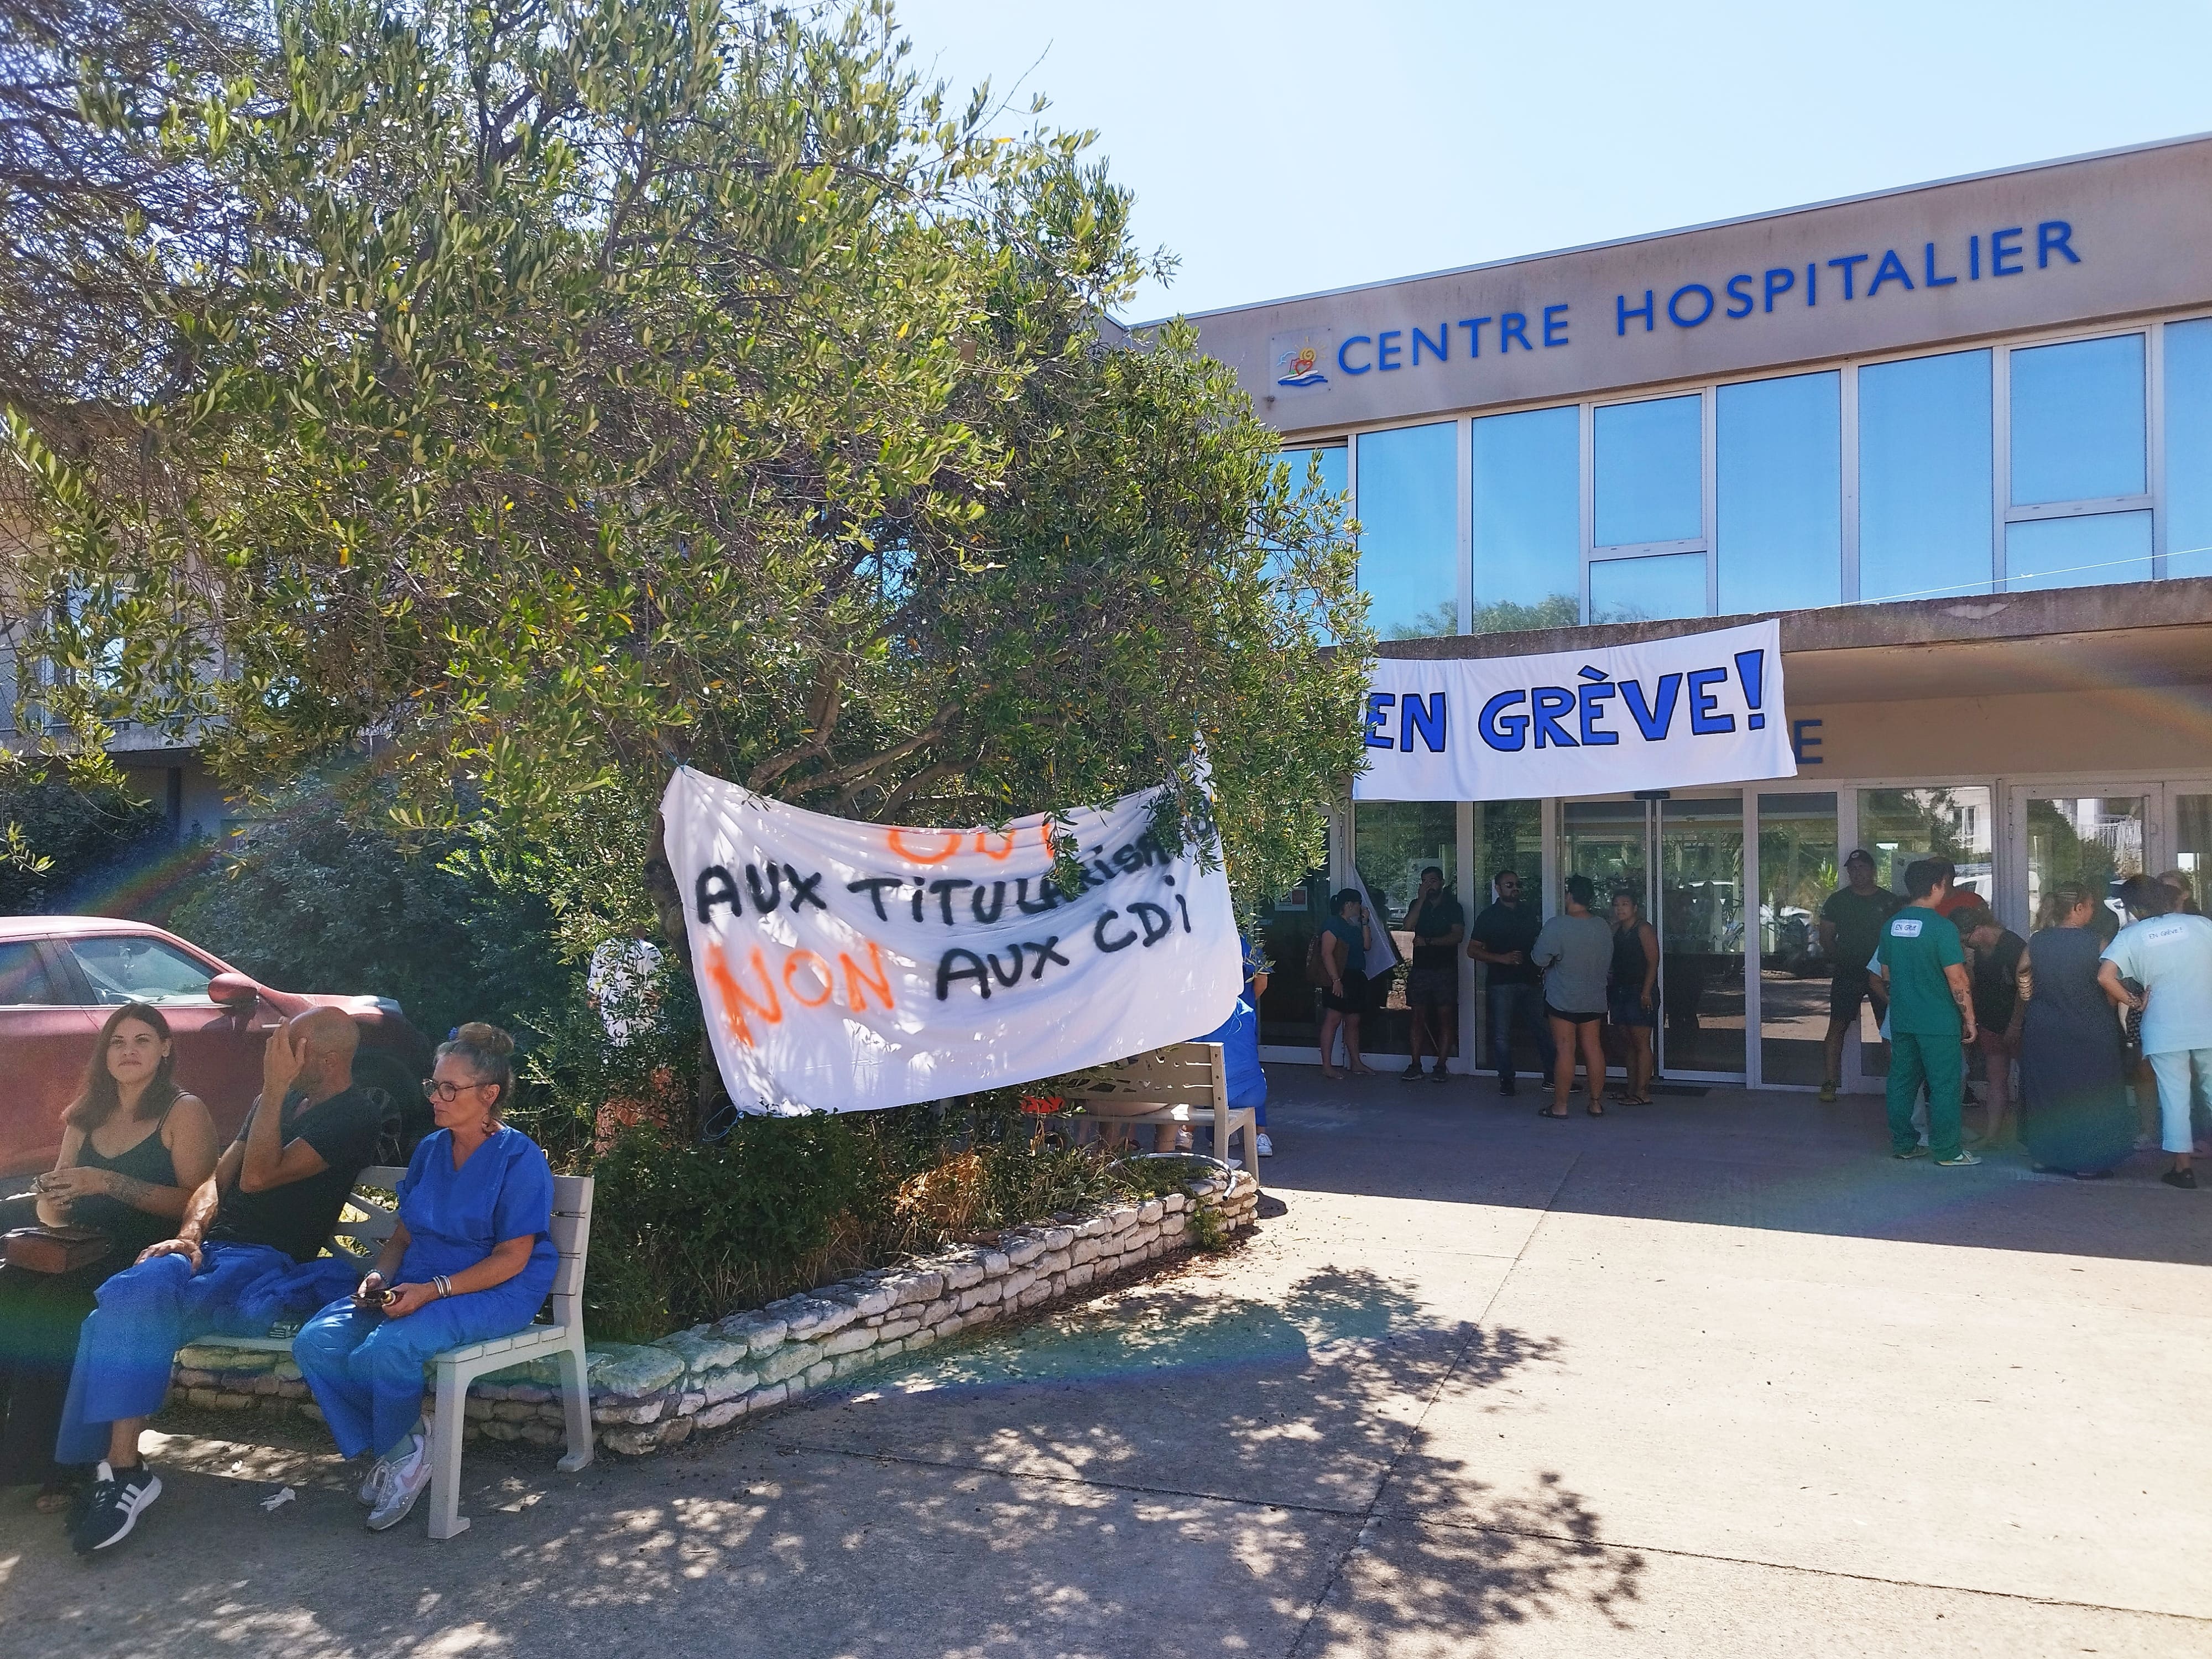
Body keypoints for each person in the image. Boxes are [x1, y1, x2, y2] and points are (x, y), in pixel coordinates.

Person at [56, 1006, 382, 1553]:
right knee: (122, 1301)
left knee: (120, 1307)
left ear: (320, 1057)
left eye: (286, 1046)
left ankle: (118, 1469)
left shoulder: (353, 1114)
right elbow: (219, 1177)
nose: (272, 1055)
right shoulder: (270, 1102)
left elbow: (258, 1178)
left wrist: (275, 1093)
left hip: (266, 1260)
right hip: (213, 1252)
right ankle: (116, 1470)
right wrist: (189, 1234)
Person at [293, 1023, 559, 1531]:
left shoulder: (519, 1157)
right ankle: (404, 1445)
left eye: (448, 1089)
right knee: (316, 1343)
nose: (436, 1097)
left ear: (489, 1095)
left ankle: (402, 1454)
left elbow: (512, 1258)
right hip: (416, 1281)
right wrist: (377, 1276)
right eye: (432, 1086)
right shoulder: (431, 1149)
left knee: (387, 1350)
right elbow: (401, 1237)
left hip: (494, 1289)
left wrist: (433, 1291)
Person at [0, 1005, 217, 1514]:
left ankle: (67, 1465)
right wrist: (53, 1198)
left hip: (145, 1254)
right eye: (118, 1043)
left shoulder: (183, 1111)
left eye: (143, 1040)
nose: (129, 1051)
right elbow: (52, 1212)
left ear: (165, 1049)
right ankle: (16, 1458)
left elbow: (196, 1197)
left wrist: (108, 1182)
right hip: (78, 1246)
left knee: (60, 1309)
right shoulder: (86, 1115)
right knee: (7, 1294)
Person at [2098, 874, 2212, 1190]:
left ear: (2135, 906)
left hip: (2163, 1027)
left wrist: (2134, 1002)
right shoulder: (2202, 926)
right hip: (2208, 1021)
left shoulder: (2134, 935)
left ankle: (2183, 1169)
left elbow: (2106, 977)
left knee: (2174, 1097)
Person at [2016, 885, 2136, 1178]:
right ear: (2078, 908)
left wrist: (2029, 995)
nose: (2094, 912)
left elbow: (2022, 971)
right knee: (2090, 1093)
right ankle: (2088, 1162)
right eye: (2091, 906)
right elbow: (2109, 982)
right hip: (2090, 1027)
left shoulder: (2037, 941)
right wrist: (2130, 1003)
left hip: (2044, 1027)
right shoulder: (2097, 942)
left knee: (2048, 1092)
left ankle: (2045, 1157)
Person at [1871, 858, 1979, 1167]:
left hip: (1903, 1018)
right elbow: (1958, 979)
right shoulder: (1942, 928)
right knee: (1944, 1086)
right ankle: (1948, 1151)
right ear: (1936, 886)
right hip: (1939, 1021)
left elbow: (1886, 971)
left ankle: (1904, 1144)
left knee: (1902, 1082)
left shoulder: (1892, 925)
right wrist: (1969, 1018)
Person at [1817, 850, 1902, 1102]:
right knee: (1837, 1026)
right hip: (1848, 973)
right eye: (1852, 869)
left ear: (1873, 870)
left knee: (1888, 1029)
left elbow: (1898, 937)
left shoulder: (1889, 901)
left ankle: (1898, 1085)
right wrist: (1843, 959)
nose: (1857, 873)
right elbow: (1826, 938)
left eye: (1862, 868)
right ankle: (1830, 1082)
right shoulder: (1837, 901)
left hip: (1883, 973)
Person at [1467, 870, 1556, 1097]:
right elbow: (1472, 950)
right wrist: (1501, 958)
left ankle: (1554, 1078)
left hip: (1531, 981)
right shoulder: (1488, 916)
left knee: (1544, 1031)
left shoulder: (1529, 913)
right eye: (1509, 885)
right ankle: (1506, 1080)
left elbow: (1540, 942)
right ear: (1497, 888)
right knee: (1501, 1034)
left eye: (1517, 884)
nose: (1514, 888)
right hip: (1501, 983)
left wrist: (1545, 964)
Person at [1532, 875, 1614, 1119]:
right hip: (1594, 997)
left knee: (1566, 1049)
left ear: (1569, 896)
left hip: (1563, 998)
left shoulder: (1557, 925)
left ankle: (1560, 1106)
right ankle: (1596, 1103)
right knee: (1593, 1047)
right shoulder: (1602, 926)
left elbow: (1539, 959)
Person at [1195, 937, 1271, 1157]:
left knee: (1209, 1068)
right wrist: (1243, 1004)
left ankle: (1218, 1136)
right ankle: (1258, 1134)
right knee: (1248, 1071)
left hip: (1214, 1014)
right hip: (1238, 1016)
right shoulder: (1248, 941)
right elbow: (1262, 982)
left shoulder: (1203, 939)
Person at [1958, 905, 2027, 1149]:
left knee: (2029, 1079)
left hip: (2017, 1021)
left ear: (1978, 929)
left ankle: (2028, 1136)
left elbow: (2025, 990)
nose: (1965, 944)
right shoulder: (1976, 952)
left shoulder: (2013, 946)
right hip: (1990, 1020)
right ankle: (1993, 1134)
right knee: (1995, 1079)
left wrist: (2016, 1025)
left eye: (1965, 938)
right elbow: (1974, 985)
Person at [1400, 867, 1463, 1083]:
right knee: (1417, 1018)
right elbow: (1408, 926)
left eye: (1433, 881)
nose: (1429, 885)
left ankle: (1441, 1065)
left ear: (1442, 882)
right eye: (1425, 881)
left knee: (1445, 1018)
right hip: (1421, 970)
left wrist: (1428, 942)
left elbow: (1457, 936)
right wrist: (1420, 900)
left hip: (1444, 970)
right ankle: (1415, 1064)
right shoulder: (1418, 906)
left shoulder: (1453, 907)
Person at [1606, 889, 1660, 1106]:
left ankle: (1643, 1092)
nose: (1620, 908)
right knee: (1627, 1042)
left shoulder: (1644, 929)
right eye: (1617, 904)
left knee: (1641, 1042)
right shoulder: (1616, 929)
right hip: (1619, 990)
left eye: (1625, 904)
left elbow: (1653, 962)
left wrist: (1646, 992)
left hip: (1639, 990)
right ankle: (1630, 1089)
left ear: (1635, 907)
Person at [1317, 889, 1376, 1080]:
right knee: (1334, 1019)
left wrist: (1365, 922)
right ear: (1350, 905)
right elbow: (1327, 953)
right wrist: (1336, 980)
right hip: (1339, 976)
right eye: (1358, 904)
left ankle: (1356, 1062)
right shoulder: (1333, 924)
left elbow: (1367, 946)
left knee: (1353, 1020)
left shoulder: (1353, 925)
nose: (1360, 908)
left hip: (1356, 976)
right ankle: (1327, 1065)